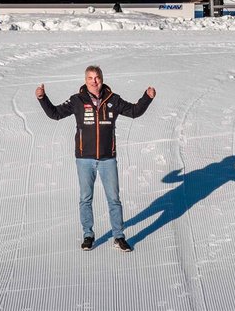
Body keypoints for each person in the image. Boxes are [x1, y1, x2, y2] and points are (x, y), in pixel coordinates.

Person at [36, 66, 156, 252]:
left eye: (97, 77)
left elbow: (134, 111)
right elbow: (55, 114)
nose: (94, 81)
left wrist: (147, 97)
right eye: (90, 78)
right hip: (85, 159)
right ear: (85, 80)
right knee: (86, 198)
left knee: (114, 199)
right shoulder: (77, 100)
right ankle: (88, 235)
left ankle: (118, 236)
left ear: (102, 79)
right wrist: (42, 98)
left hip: (108, 159)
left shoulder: (113, 100)